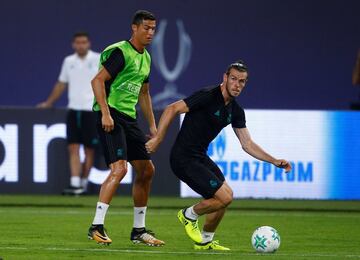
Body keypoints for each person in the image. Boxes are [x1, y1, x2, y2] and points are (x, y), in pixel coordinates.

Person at [145, 60, 292, 250]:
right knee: (224, 197)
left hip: (199, 156)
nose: (237, 85)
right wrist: (158, 138)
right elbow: (172, 108)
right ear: (225, 78)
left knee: (226, 197)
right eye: (233, 79)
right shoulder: (207, 96)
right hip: (183, 158)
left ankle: (205, 241)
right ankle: (188, 215)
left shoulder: (236, 110)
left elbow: (247, 144)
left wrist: (273, 160)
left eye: (242, 81)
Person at [87, 10, 164, 246]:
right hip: (110, 114)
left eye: (153, 28)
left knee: (146, 170)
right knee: (119, 170)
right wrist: (106, 114)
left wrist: (152, 124)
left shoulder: (147, 58)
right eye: (146, 28)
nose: (150, 32)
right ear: (134, 28)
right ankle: (96, 227)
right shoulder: (121, 52)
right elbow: (97, 81)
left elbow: (144, 93)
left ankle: (138, 231)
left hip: (128, 119)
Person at [37, 32, 100, 195]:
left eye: (84, 42)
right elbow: (61, 84)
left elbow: (107, 83)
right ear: (73, 45)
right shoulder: (68, 61)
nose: (81, 45)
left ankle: (84, 184)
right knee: (73, 147)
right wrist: (49, 103)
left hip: (91, 110)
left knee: (89, 150)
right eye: (78, 43)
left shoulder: (99, 59)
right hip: (73, 110)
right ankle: (75, 183)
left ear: (89, 43)